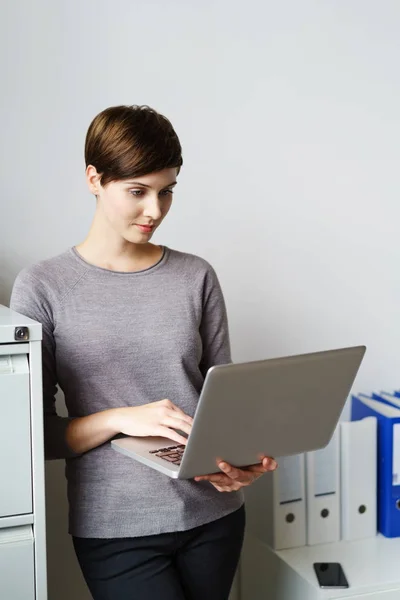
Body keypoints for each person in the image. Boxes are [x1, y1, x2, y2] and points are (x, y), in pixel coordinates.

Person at [10, 105, 277, 600]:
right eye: (138, 191)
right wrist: (121, 418)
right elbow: (37, 436)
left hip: (214, 518)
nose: (155, 209)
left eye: (167, 190)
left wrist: (243, 458)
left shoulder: (196, 276)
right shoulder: (43, 287)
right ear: (95, 178)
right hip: (116, 526)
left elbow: (225, 400)